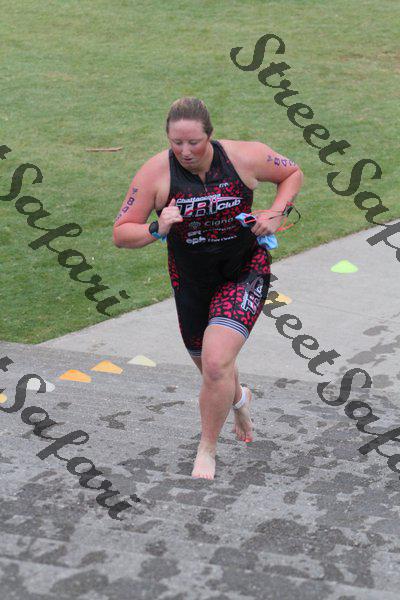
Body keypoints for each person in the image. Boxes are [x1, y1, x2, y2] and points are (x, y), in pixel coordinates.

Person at [113, 97, 303, 480]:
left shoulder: (245, 157)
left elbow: (292, 173)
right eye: (176, 143)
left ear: (210, 136)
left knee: (216, 364)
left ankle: (207, 449)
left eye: (194, 142)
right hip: (191, 282)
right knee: (214, 371)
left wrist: (276, 212)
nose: (185, 151)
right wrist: (157, 228)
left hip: (243, 271)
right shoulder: (155, 173)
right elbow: (121, 233)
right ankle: (240, 399)